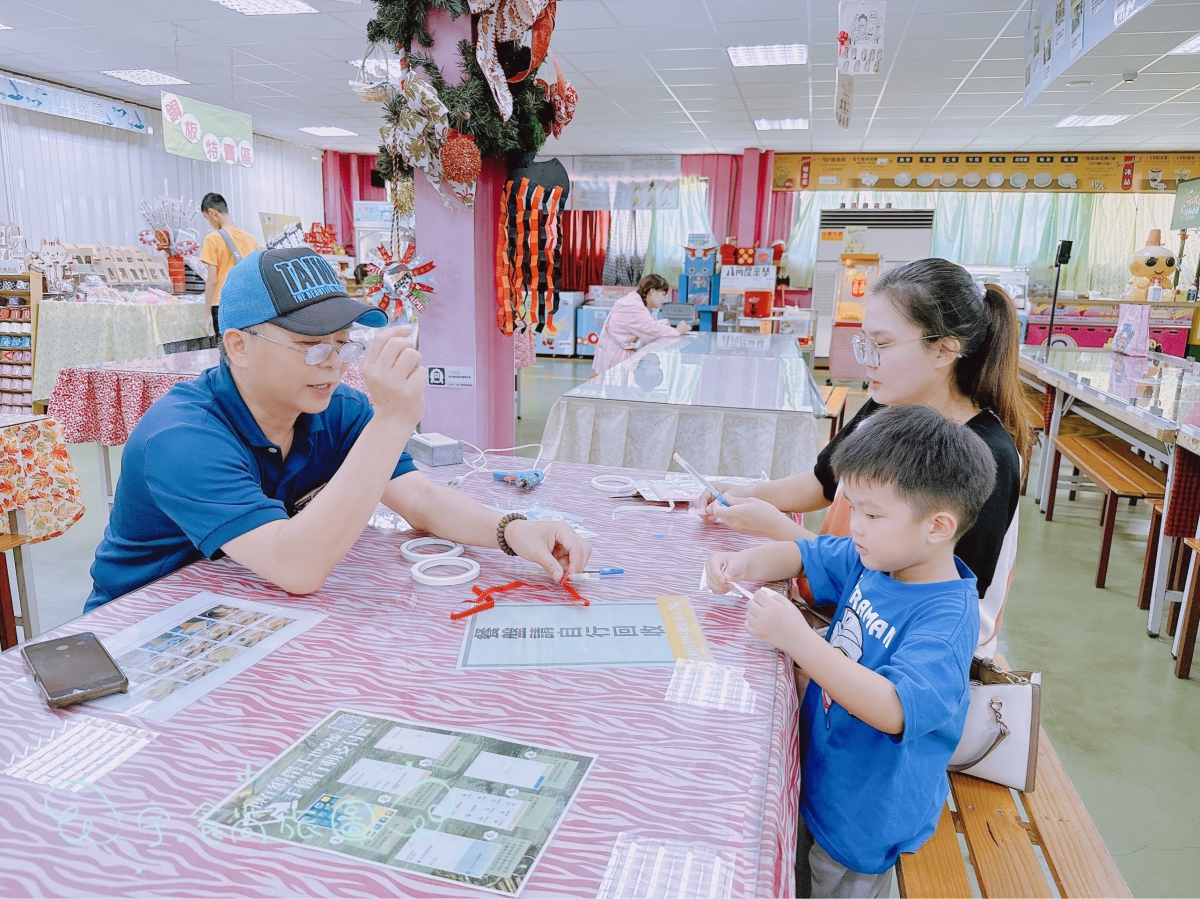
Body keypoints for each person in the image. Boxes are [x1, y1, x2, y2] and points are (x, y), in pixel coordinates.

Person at [86, 247, 589, 610]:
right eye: (312, 346)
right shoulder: (181, 438)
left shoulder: (334, 409)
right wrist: (393, 418)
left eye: (343, 344)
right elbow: (297, 568)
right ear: (237, 345)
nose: (332, 365)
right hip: (145, 625)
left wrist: (512, 528)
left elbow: (419, 500)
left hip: (245, 604)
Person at [705, 405, 996, 898]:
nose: (854, 525)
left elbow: (894, 708)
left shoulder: (944, 620)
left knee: (827, 881)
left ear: (937, 526)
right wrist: (743, 562)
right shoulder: (881, 559)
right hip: (825, 776)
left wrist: (797, 639)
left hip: (863, 816)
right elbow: (806, 553)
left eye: (872, 513)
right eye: (853, 507)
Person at [702, 258, 1027, 654]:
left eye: (883, 345)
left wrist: (778, 529)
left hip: (898, 649)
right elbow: (824, 482)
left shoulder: (985, 457)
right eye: (865, 343)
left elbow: (916, 598)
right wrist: (744, 491)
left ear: (944, 349)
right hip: (842, 611)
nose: (866, 359)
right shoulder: (889, 401)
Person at [592, 273, 690, 376]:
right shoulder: (634, 307)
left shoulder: (632, 301)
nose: (663, 299)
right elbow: (653, 330)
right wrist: (678, 331)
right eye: (663, 293)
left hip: (611, 351)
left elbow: (645, 326)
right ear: (652, 291)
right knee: (615, 387)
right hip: (617, 356)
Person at [199, 192, 258, 336]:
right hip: (247, 303)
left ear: (212, 212)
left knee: (227, 352)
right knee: (247, 350)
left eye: (207, 218)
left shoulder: (213, 238)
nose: (210, 223)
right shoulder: (251, 239)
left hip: (223, 305)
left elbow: (212, 280)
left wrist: (206, 314)